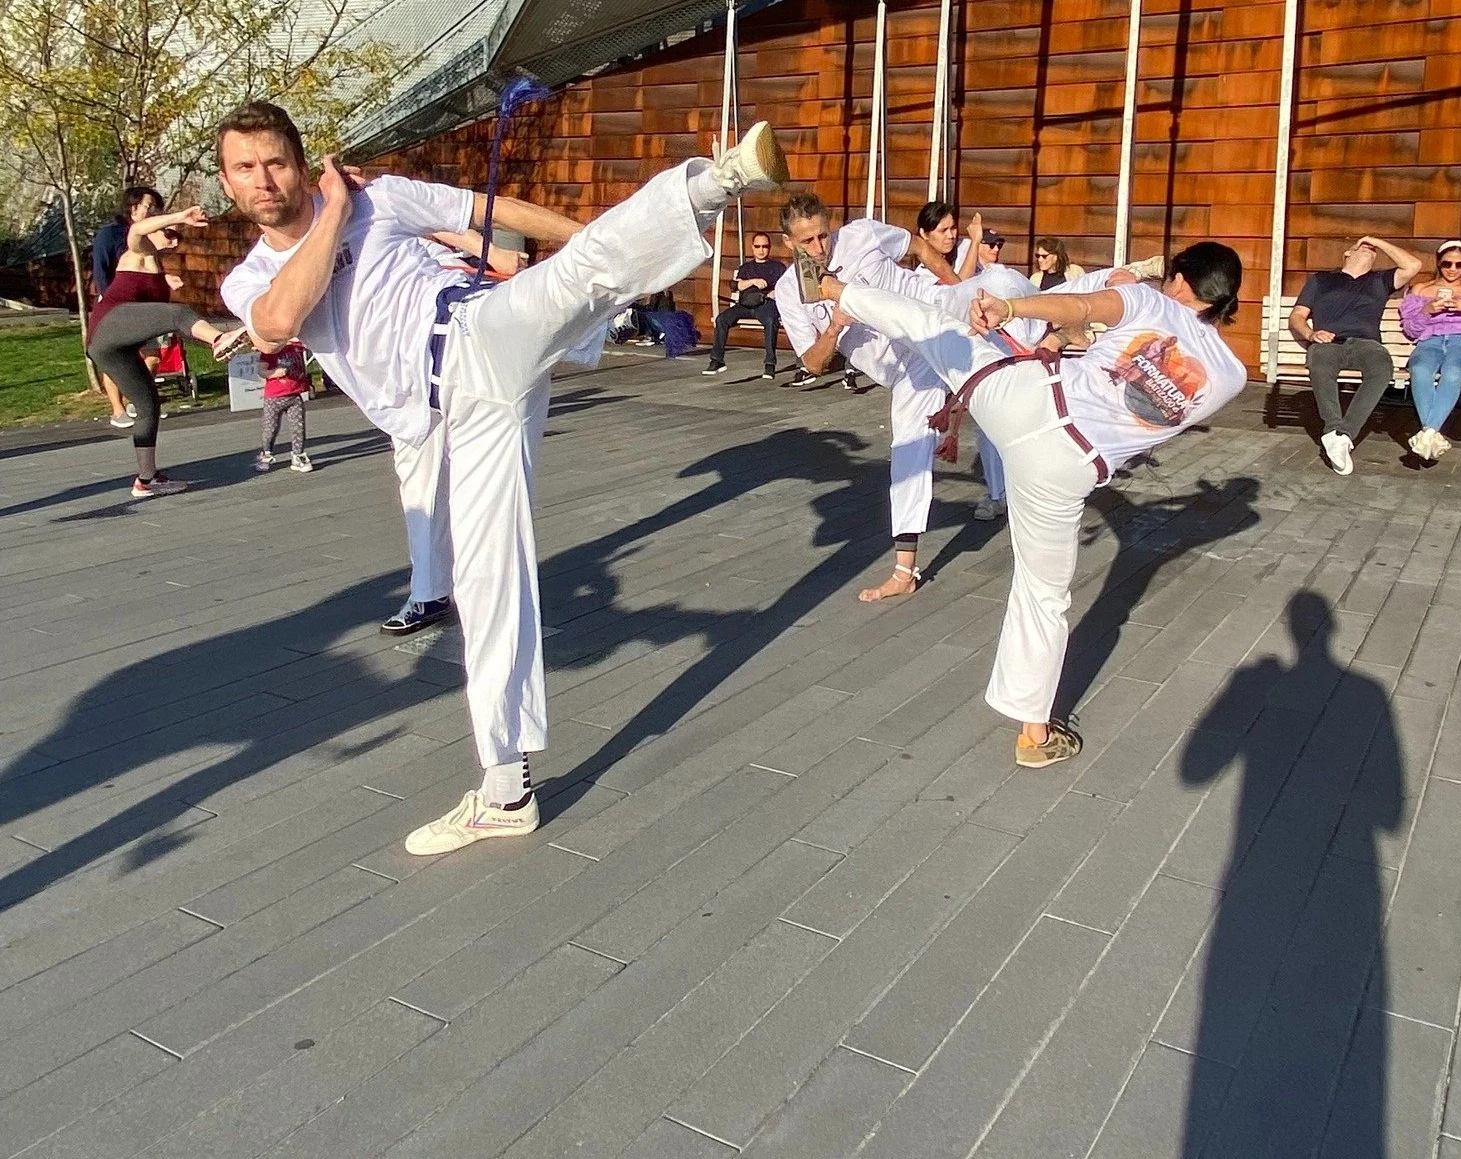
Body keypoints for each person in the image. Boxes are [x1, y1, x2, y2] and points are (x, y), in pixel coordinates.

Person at [217, 101, 789, 855]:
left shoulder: (385, 197)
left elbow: (494, 210)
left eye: (277, 162)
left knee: (575, 274)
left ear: (302, 161)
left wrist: (596, 234)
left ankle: (720, 179)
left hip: (473, 334)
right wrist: (334, 209)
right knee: (488, 582)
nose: (263, 180)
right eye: (245, 168)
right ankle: (506, 788)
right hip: (456, 413)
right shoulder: (250, 278)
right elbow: (283, 320)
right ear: (227, 183)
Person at [816, 241, 1246, 768]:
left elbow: (1085, 308)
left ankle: (839, 292)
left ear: (1180, 279)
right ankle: (1033, 735)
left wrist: (1012, 308)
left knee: (932, 327)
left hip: (1024, 402)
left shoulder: (1153, 303)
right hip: (1068, 470)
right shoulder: (1232, 377)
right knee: (1043, 596)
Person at [774, 193, 959, 601]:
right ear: (788, 242)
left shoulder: (860, 234)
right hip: (910, 370)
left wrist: (958, 286)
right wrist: (834, 327)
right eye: (807, 242)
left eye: (823, 235)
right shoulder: (789, 291)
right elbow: (813, 362)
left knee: (1012, 327)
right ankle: (904, 572)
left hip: (935, 314)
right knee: (908, 450)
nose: (820, 247)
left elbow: (916, 246)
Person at [381, 233, 527, 638]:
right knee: (420, 486)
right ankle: (430, 593)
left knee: (485, 485)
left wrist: (489, 253)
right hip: (407, 378)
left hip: (466, 365)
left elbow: (445, 219)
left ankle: (487, 594)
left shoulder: (407, 227)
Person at [86, 196, 246, 497]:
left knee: (148, 405)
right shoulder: (137, 249)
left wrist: (166, 281)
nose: (171, 241)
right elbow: (138, 228)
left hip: (110, 347)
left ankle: (146, 480)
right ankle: (218, 339)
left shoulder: (158, 267)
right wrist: (180, 216)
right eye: (168, 233)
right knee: (178, 313)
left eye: (174, 238)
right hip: (107, 326)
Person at [1289, 235, 1422, 474]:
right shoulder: (1322, 280)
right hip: (1328, 341)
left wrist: (1375, 240)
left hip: (1366, 343)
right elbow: (1297, 316)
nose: (1369, 249)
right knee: (1319, 361)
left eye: (1374, 250)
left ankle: (1343, 435)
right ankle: (1333, 430)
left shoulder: (1380, 280)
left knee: (1382, 368)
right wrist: (1310, 334)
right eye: (1362, 247)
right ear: (1347, 254)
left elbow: (1413, 266)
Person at [913, 203, 1005, 522]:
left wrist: (982, 246)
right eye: (943, 231)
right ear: (924, 235)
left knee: (990, 420)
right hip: (940, 362)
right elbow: (959, 287)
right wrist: (975, 243)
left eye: (954, 228)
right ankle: (913, 499)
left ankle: (998, 493)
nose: (952, 236)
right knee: (921, 434)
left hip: (978, 352)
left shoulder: (965, 254)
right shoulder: (921, 276)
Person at [1400, 240, 1461, 462]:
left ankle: (1428, 432)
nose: (1453, 269)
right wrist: (1426, 310)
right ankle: (1431, 435)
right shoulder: (1421, 289)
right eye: (1447, 264)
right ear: (1438, 263)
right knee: (1421, 369)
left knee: (1452, 372)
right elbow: (1411, 331)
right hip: (1430, 341)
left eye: (1459, 265)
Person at [91, 187, 162, 429]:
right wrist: (108, 299)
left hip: (145, 305)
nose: (153, 211)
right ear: (133, 209)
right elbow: (101, 270)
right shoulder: (109, 235)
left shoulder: (154, 234)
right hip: (116, 304)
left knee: (152, 355)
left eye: (156, 207)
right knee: (117, 357)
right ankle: (118, 409)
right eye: (148, 206)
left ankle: (138, 400)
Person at [702, 231, 785, 378]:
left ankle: (770, 364)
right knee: (721, 319)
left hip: (765, 304)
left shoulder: (777, 267)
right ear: (752, 248)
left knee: (771, 321)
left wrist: (770, 293)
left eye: (764, 246)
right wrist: (753, 281)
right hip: (745, 304)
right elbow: (737, 286)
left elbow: (783, 289)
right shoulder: (746, 268)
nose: (761, 250)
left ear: (769, 247)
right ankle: (716, 360)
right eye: (757, 246)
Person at [255, 340, 313, 473]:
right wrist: (275, 373)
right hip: (274, 398)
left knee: (298, 427)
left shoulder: (298, 347)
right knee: (270, 429)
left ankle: (298, 455)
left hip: (294, 396)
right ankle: (266, 453)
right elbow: (261, 371)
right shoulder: (270, 349)